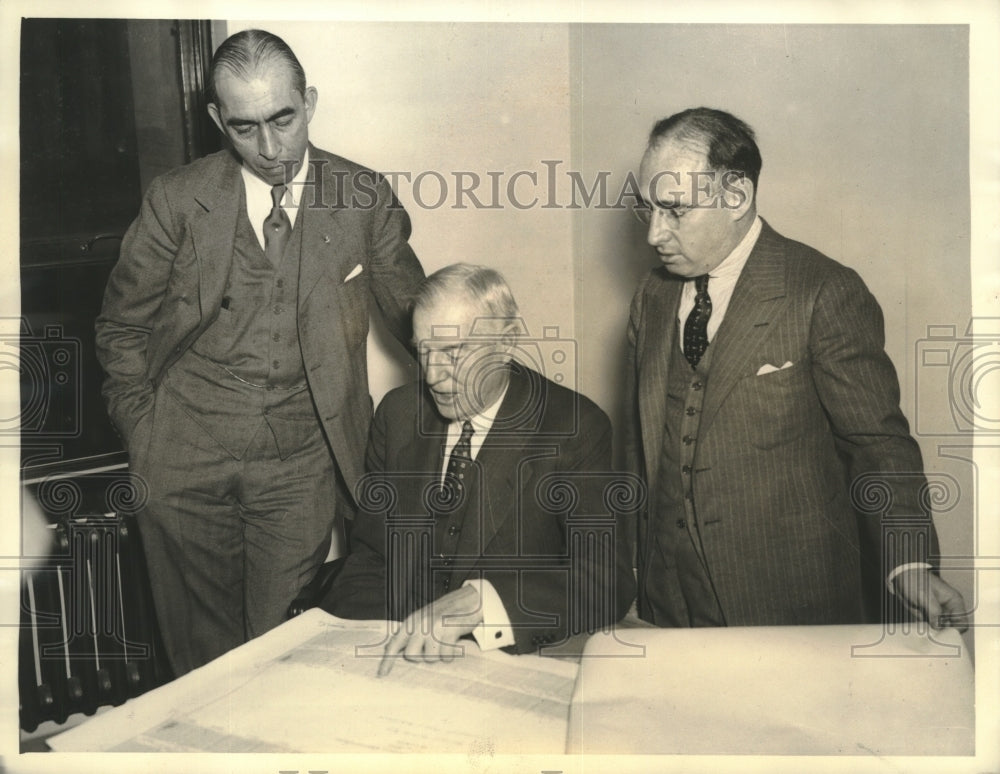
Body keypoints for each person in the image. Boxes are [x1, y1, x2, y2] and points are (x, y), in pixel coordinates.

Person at [95, 29, 424, 675]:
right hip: (183, 452)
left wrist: (487, 368)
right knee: (201, 661)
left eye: (283, 119)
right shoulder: (176, 199)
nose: (270, 148)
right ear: (218, 119)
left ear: (310, 102)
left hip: (300, 461)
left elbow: (419, 316)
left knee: (281, 650)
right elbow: (121, 328)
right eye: (245, 128)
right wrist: (145, 433)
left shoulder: (361, 196)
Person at [625, 107, 966, 629]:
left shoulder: (823, 291)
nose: (654, 234)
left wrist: (909, 563)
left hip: (789, 603)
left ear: (736, 196)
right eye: (647, 210)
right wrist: (627, 570)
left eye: (674, 210)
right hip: (666, 601)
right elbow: (639, 444)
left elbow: (877, 444)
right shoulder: (651, 296)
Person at [322, 264, 636, 674]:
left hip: (509, 661)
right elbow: (372, 559)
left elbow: (605, 579)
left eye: (453, 353)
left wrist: (483, 603)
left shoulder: (573, 426)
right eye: (423, 352)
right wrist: (386, 643)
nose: (433, 376)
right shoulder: (397, 415)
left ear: (506, 343)